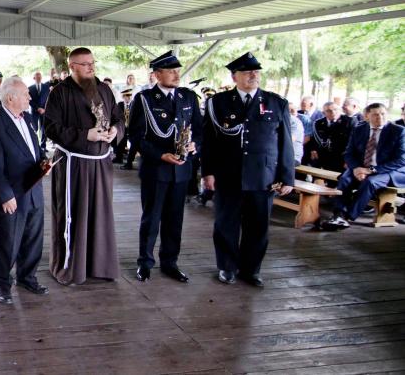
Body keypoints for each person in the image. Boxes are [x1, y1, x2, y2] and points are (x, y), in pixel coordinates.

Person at [201, 52, 294, 287]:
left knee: (258, 227)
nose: (253, 75)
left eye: (256, 71)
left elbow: (285, 143)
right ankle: (227, 267)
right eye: (247, 72)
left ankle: (251, 270)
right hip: (228, 175)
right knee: (226, 224)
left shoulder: (276, 102)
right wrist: (207, 172)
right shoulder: (218, 102)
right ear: (234, 77)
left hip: (263, 177)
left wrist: (287, 177)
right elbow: (209, 141)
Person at [44, 47, 123, 285]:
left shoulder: (104, 89)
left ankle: (100, 266)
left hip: (101, 164)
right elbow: (51, 128)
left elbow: (118, 118)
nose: (91, 67)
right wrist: (85, 135)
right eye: (85, 64)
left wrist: (115, 131)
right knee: (73, 216)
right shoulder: (60, 93)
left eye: (92, 63)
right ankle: (72, 267)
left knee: (100, 215)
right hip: (74, 165)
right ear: (72, 67)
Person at [129, 51, 202, 283]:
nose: (176, 75)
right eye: (171, 71)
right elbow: (136, 137)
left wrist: (195, 144)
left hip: (181, 171)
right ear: (157, 74)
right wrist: (161, 155)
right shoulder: (145, 99)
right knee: (151, 219)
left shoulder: (188, 97)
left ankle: (170, 262)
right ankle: (145, 263)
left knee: (174, 220)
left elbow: (200, 130)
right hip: (156, 169)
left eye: (178, 70)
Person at [0, 76, 49, 304]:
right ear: (11, 98)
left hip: (34, 190)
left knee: (33, 238)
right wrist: (5, 195)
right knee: (9, 242)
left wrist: (44, 162)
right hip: (11, 195)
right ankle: (3, 284)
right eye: (25, 94)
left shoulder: (27, 118)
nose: (30, 97)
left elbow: (34, 149)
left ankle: (27, 277)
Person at [327, 103, 405, 228]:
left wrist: (371, 170)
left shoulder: (398, 131)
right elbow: (348, 153)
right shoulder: (359, 129)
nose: (380, 117)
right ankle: (338, 214)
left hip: (388, 171)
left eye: (383, 114)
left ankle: (347, 217)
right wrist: (356, 168)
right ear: (367, 116)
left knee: (370, 182)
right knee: (345, 179)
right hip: (361, 167)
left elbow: (401, 160)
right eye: (375, 114)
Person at [306, 101, 354, 172]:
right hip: (323, 157)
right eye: (329, 111)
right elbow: (314, 139)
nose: (333, 112)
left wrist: (348, 160)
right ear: (323, 113)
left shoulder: (350, 122)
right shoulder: (318, 123)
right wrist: (313, 149)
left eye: (335, 109)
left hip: (341, 158)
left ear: (340, 110)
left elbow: (352, 142)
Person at [28, 71, 50, 154]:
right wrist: (37, 108)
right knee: (34, 129)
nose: (39, 78)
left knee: (44, 129)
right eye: (37, 76)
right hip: (34, 111)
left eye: (40, 76)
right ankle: (35, 146)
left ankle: (43, 146)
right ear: (34, 78)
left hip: (44, 111)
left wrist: (44, 109)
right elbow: (30, 101)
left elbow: (48, 99)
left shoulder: (46, 87)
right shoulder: (30, 88)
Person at [112, 88, 133, 164]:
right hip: (122, 127)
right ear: (123, 97)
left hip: (131, 127)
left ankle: (130, 160)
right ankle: (119, 158)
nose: (128, 97)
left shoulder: (133, 104)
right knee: (119, 141)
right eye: (127, 96)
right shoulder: (120, 104)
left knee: (134, 143)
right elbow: (117, 115)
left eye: (130, 96)